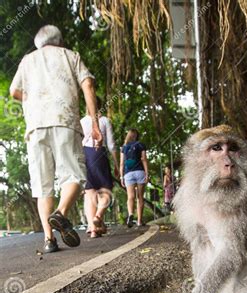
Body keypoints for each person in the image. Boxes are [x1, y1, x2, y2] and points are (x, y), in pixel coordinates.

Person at [9, 25, 102, 253]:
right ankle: (60, 213)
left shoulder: (27, 60)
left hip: (35, 127)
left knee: (43, 185)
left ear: (38, 43)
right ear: (59, 41)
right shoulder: (70, 56)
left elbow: (14, 91)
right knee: (74, 175)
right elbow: (88, 84)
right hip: (65, 121)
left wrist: (31, 101)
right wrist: (95, 122)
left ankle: (49, 241)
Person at [80, 97, 119, 238]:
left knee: (90, 193)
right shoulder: (104, 121)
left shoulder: (81, 122)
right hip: (99, 154)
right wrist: (116, 165)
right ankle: (98, 216)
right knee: (106, 190)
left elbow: (77, 144)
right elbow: (111, 145)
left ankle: (93, 230)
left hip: (85, 156)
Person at [120, 129, 149, 227]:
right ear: (136, 136)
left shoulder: (124, 147)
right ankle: (140, 221)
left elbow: (121, 164)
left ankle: (131, 214)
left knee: (130, 197)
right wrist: (147, 173)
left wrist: (121, 177)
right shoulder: (141, 145)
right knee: (140, 197)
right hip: (140, 172)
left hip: (128, 174)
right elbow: (144, 159)